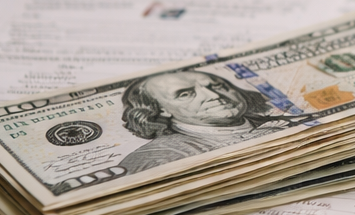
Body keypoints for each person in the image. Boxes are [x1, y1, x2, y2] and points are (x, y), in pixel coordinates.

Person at [117, 70, 287, 174]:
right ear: (160, 109)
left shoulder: (288, 123)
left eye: (217, 86)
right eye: (185, 94)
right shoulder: (155, 158)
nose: (214, 96)